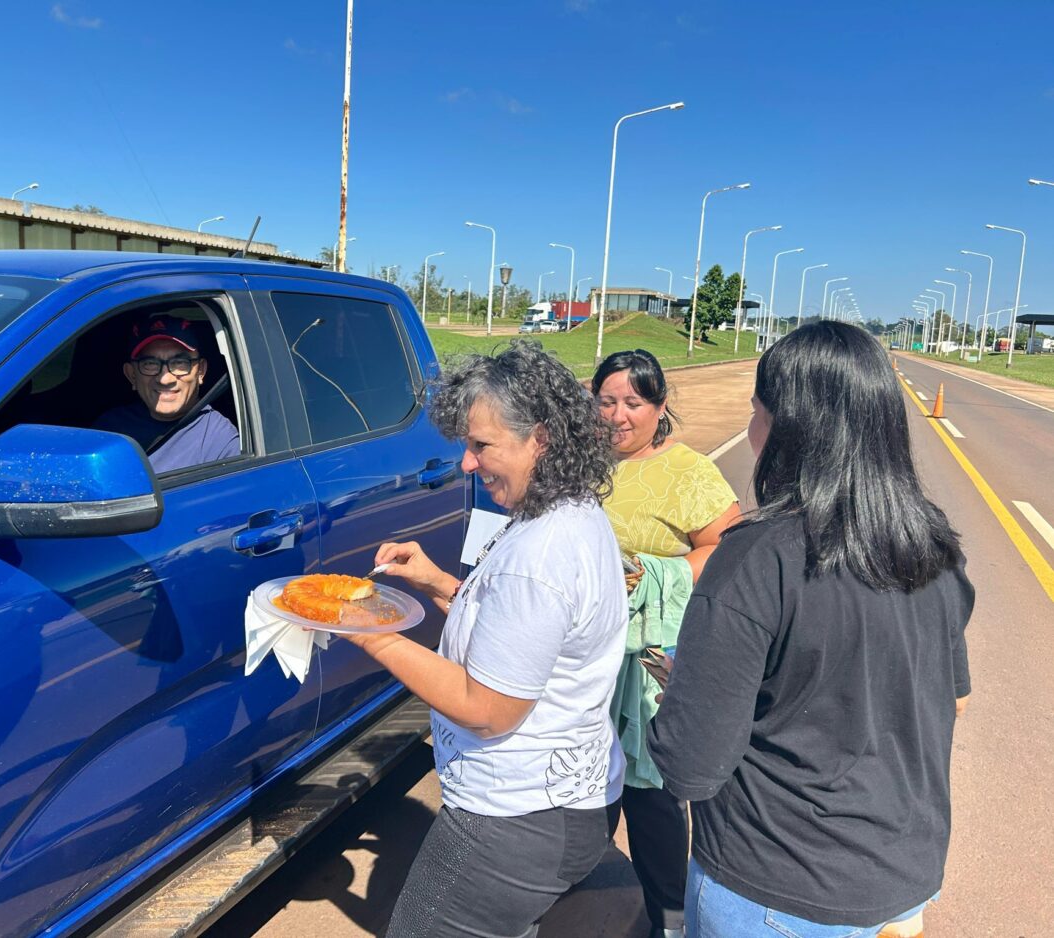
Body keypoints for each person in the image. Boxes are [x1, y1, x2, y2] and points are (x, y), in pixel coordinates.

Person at [648, 321, 973, 937]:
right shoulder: (933, 546)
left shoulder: (756, 557)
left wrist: (683, 695)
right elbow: (951, 699)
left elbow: (692, 767)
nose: (750, 431)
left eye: (756, 412)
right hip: (903, 876)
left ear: (789, 427)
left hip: (777, 888)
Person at [343, 340, 628, 938]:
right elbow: (519, 638)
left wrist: (369, 633)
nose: (467, 464)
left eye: (482, 446)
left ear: (541, 440)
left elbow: (487, 708)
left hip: (515, 818)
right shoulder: (568, 512)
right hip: (566, 797)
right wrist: (440, 584)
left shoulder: (540, 555)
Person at [590, 349, 740, 938]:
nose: (618, 416)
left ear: (659, 408)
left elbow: (725, 549)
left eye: (634, 403)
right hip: (584, 650)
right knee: (579, 776)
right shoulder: (580, 464)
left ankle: (670, 919)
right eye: (606, 401)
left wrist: (652, 573)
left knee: (647, 793)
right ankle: (572, 896)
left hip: (648, 656)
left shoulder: (689, 471)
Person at [94, 314, 239, 472]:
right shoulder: (110, 429)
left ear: (200, 371)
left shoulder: (219, 441)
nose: (165, 379)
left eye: (179, 363)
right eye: (150, 364)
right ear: (132, 375)